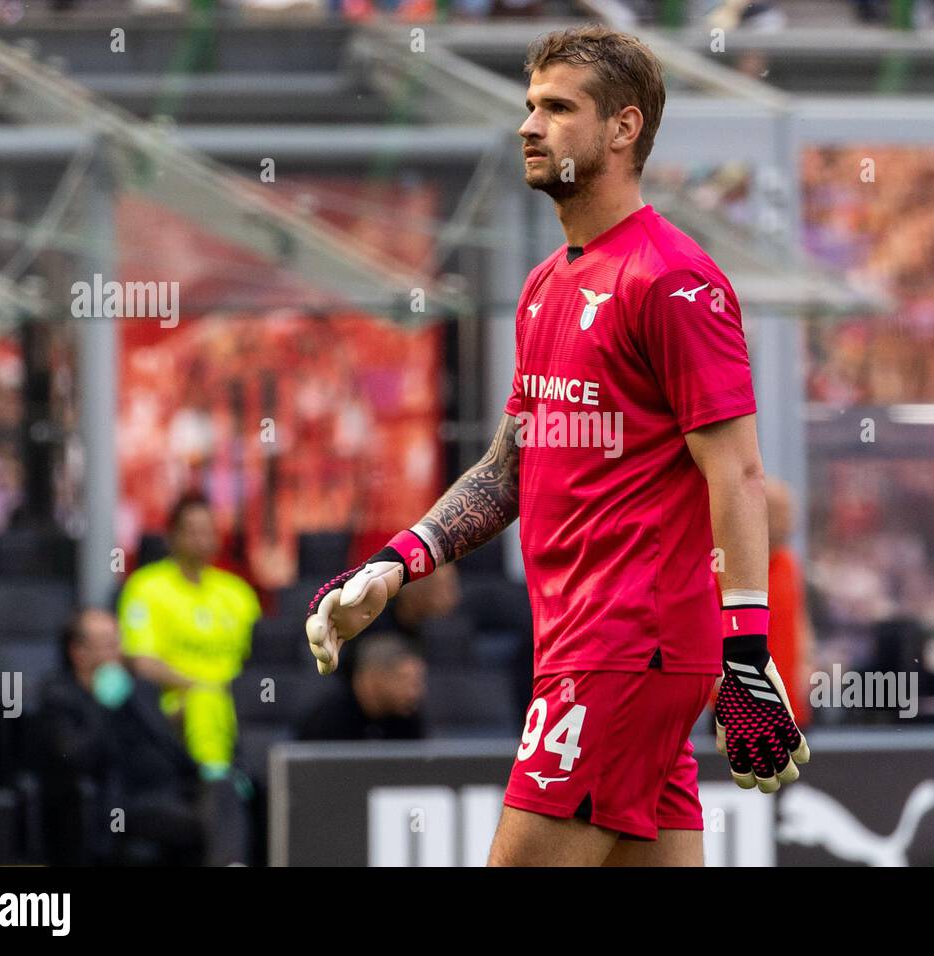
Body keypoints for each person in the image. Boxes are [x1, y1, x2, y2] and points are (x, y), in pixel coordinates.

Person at [306, 26, 808, 868]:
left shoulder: (675, 282)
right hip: (593, 650)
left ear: (624, 128)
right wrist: (396, 566)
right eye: (530, 105)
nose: (529, 126)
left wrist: (748, 652)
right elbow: (510, 465)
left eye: (558, 108)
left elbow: (740, 474)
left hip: (620, 654)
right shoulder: (545, 286)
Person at [36, 609, 208, 865]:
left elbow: (165, 743)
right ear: (78, 652)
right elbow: (74, 758)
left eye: (117, 642)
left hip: (172, 787)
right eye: (107, 644)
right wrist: (102, 705)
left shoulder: (139, 688)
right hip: (122, 800)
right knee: (201, 821)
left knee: (225, 789)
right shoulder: (60, 696)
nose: (116, 652)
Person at [117, 491, 261, 775]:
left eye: (208, 531)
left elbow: (261, 657)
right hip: (174, 701)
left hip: (236, 700)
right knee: (204, 701)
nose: (201, 539)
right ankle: (214, 782)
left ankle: (250, 782)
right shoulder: (145, 588)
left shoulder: (238, 593)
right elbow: (141, 661)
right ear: (171, 537)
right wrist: (200, 685)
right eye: (192, 531)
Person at [295, 632, 425, 741]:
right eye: (403, 680)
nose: (414, 693)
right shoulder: (327, 723)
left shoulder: (408, 720)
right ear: (373, 678)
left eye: (417, 682)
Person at [765, 477, 815, 731]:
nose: (789, 522)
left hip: (790, 700)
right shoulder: (725, 567)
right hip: (745, 705)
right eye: (780, 512)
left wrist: (806, 663)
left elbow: (799, 618)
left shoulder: (788, 562)